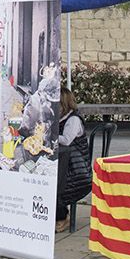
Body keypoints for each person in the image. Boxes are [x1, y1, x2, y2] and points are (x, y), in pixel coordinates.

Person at [54, 87, 91, 232]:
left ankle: (62, 217)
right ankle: (57, 215)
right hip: (66, 162)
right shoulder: (62, 118)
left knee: (57, 183)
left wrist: (49, 135)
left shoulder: (73, 119)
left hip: (77, 168)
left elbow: (67, 140)